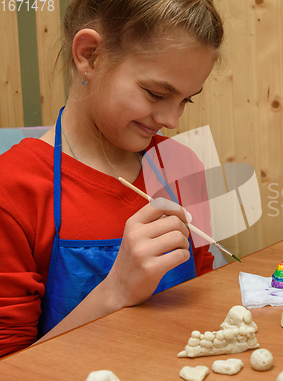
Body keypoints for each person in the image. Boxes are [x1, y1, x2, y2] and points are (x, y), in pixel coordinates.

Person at [0, 0, 224, 357]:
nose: (172, 120)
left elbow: (202, 298)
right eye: (156, 93)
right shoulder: (12, 189)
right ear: (90, 55)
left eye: (187, 100)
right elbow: (10, 367)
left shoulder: (181, 165)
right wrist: (115, 292)